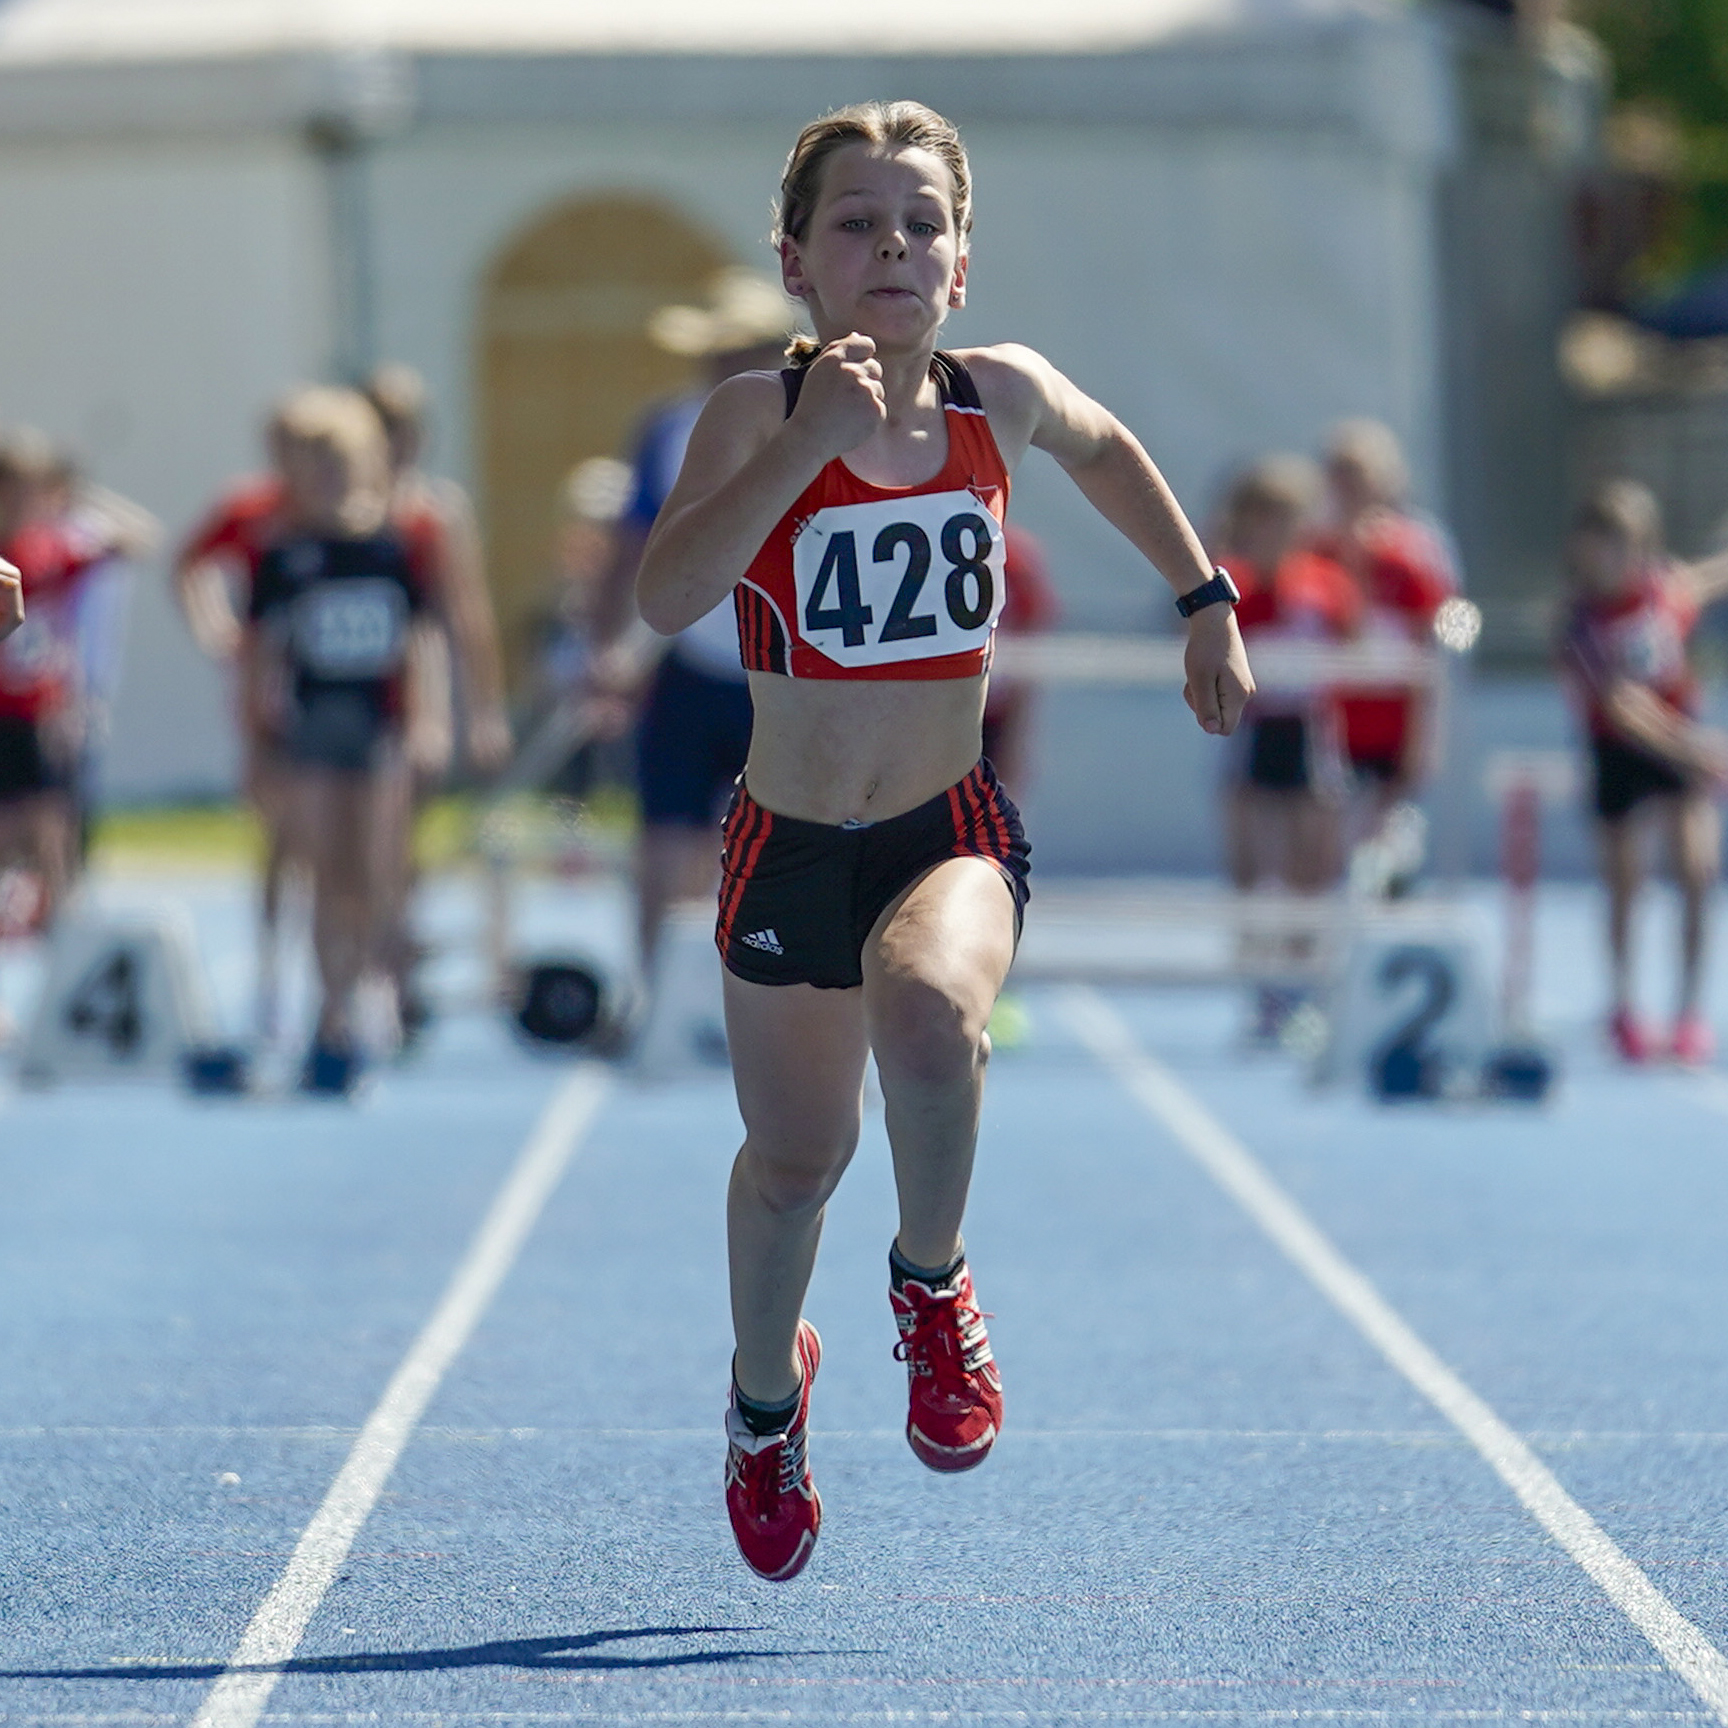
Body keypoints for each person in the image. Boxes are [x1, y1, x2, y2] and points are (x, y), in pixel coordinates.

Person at [634, 100, 1253, 1581]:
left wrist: (1204, 596)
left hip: (944, 825)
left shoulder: (1003, 395)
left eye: (920, 223)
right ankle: (765, 1407)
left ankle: (930, 1283)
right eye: (856, 223)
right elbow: (667, 597)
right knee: (796, 1164)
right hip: (786, 838)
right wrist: (813, 446)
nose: (891, 247)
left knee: (930, 1018)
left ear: (960, 262)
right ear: (798, 261)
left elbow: (1108, 453)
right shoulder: (752, 415)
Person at [591, 270, 795, 978]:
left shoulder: (814, 424)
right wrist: (607, 648)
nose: (726, 363)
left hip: (787, 666)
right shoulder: (668, 428)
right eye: (717, 350)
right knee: (664, 837)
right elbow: (627, 547)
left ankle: (768, 994)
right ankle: (653, 992)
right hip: (685, 655)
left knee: (781, 842)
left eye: (744, 348)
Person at [239, 387, 441, 1094]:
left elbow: (419, 641)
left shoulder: (395, 546)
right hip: (313, 726)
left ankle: (366, 992)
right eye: (315, 467)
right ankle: (330, 1014)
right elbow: (260, 653)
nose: (329, 481)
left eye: (342, 465)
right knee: (324, 871)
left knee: (372, 871)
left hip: (377, 726)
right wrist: (258, 744)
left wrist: (426, 721)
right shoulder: (283, 554)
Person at [1558, 479, 1728, 1065]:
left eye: (1621, 545)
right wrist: (1697, 749)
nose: (1609, 559)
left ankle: (1687, 1012)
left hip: (1682, 749)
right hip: (1624, 755)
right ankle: (1625, 1006)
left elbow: (1709, 576)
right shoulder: (1579, 623)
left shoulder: (1666, 593)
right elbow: (1623, 709)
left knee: (1697, 873)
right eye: (1598, 545)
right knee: (1626, 884)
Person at [1213, 457, 1360, 1040]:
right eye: (1260, 519)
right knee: (1253, 863)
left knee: (1312, 861)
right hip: (1250, 730)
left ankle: (1304, 986)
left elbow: (1358, 652)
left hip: (1309, 729)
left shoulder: (1327, 585)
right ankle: (1262, 990)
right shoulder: (1228, 585)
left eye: (1284, 519)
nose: (1273, 532)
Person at [1308, 419, 1458, 870]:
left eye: (1359, 471)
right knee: (1325, 846)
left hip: (1394, 722)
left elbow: (1438, 640)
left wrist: (1427, 734)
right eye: (1340, 471)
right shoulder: (1312, 548)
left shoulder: (1415, 550)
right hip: (1330, 725)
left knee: (1390, 847)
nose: (1349, 484)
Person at [0, 429, 134, 929]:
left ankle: (65, 929)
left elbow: (130, 540)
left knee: (52, 824)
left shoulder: (53, 549)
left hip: (39, 709)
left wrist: (74, 497)